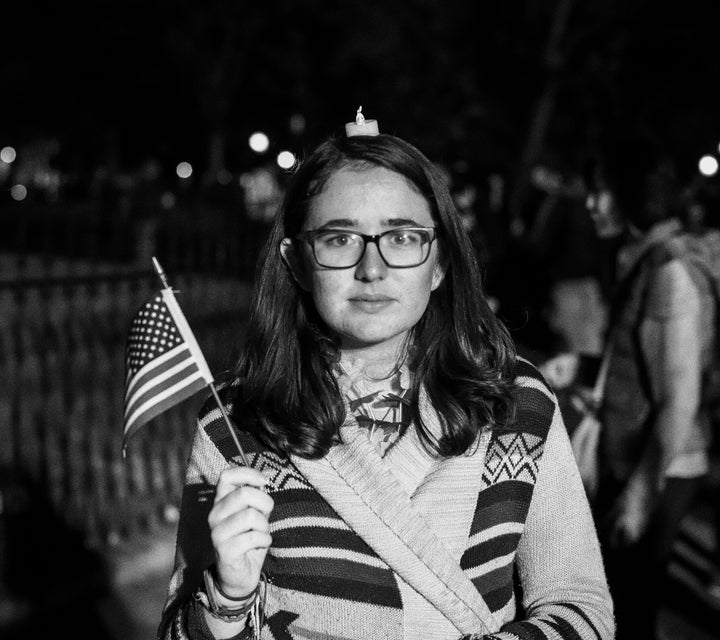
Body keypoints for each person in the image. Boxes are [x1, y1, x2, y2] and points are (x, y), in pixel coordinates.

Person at [158, 116, 614, 640]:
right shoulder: (238, 424)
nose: (371, 268)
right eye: (339, 239)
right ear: (299, 262)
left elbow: (580, 608)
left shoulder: (516, 403)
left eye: (401, 237)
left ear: (438, 261)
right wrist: (227, 597)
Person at [541, 134, 717, 640]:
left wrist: (642, 492)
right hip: (642, 456)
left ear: (635, 192)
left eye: (601, 191)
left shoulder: (669, 271)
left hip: (660, 463)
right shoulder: (645, 255)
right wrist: (585, 365)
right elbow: (648, 362)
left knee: (625, 608)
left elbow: (678, 396)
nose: (591, 203)